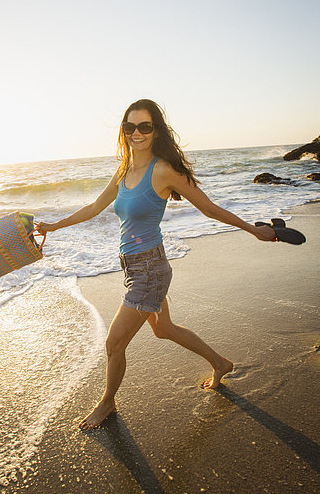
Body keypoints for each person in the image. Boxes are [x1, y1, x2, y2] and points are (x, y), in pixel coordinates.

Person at [35, 99, 276, 431]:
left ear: (155, 130)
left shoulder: (162, 170)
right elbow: (94, 207)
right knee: (164, 329)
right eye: (130, 127)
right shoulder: (123, 170)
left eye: (144, 127)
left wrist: (253, 229)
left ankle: (107, 403)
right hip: (136, 266)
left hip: (150, 270)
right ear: (124, 131)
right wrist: (53, 226)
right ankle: (220, 363)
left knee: (113, 343)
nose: (137, 133)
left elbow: (208, 208)